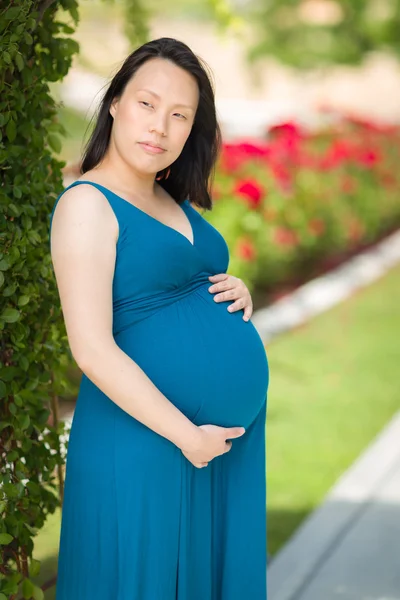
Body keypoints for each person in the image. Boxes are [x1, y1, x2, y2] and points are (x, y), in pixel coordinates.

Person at [49, 37, 270, 600]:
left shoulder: (171, 197)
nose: (161, 127)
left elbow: (180, 284)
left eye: (180, 116)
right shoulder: (87, 205)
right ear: (116, 103)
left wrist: (233, 291)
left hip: (209, 445)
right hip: (151, 441)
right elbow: (91, 348)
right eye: (147, 104)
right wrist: (186, 435)